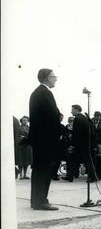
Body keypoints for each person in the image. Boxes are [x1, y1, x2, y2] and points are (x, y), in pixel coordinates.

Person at [27, 69, 60, 210]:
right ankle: (41, 201)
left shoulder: (37, 93)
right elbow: (52, 116)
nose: (56, 79)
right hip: (45, 140)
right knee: (44, 170)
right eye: (54, 77)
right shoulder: (45, 93)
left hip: (40, 140)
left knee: (39, 170)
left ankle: (37, 200)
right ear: (47, 78)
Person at [71, 105, 98, 183]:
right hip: (86, 143)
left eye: (72, 110)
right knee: (82, 160)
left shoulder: (77, 119)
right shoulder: (84, 118)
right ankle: (70, 175)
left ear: (76, 110)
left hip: (81, 144)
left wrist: (74, 143)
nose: (71, 111)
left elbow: (76, 133)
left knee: (86, 160)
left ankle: (92, 177)